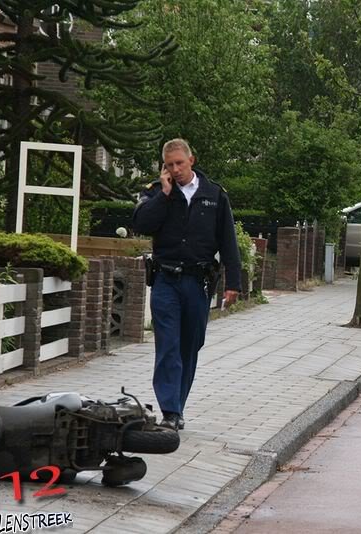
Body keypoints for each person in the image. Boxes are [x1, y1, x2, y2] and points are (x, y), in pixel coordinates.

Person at [133, 138, 241, 431]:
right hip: (166, 280)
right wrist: (165, 195)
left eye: (179, 163)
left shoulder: (214, 194)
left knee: (190, 346)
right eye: (169, 165)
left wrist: (234, 281)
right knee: (167, 344)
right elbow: (141, 223)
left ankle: (177, 406)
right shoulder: (156, 193)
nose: (175, 169)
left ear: (191, 160)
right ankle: (170, 410)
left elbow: (228, 240)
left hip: (197, 282)